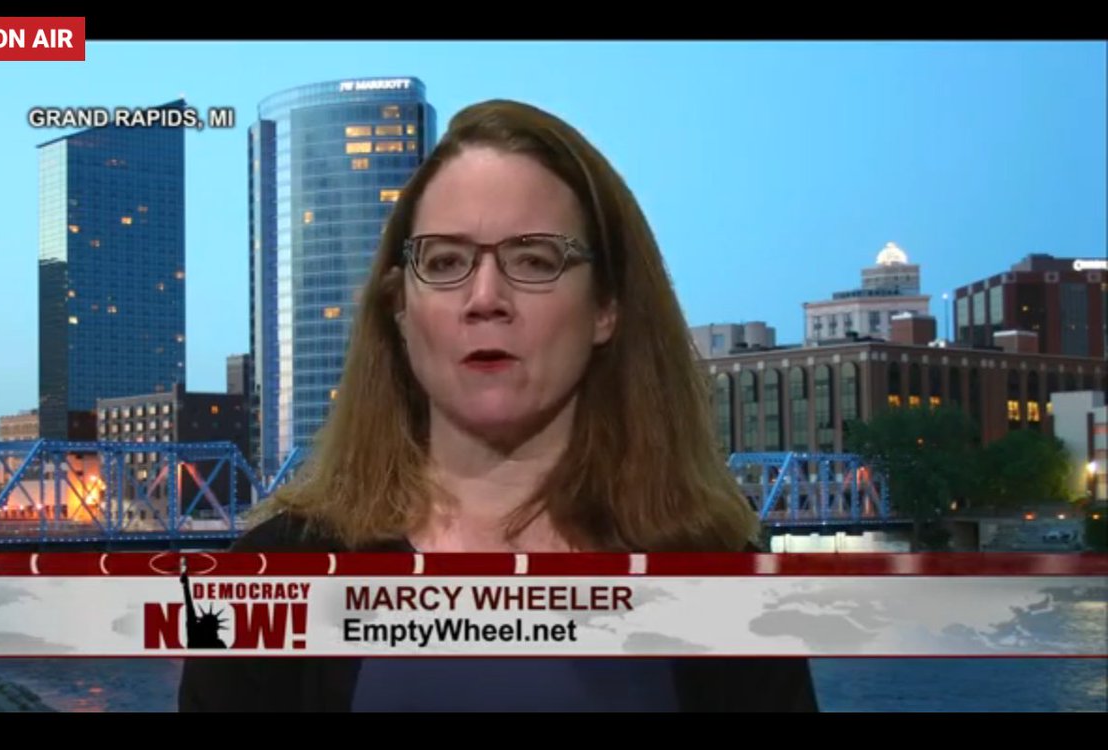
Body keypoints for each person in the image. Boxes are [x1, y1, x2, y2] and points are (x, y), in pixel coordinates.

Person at [179, 99, 818, 712]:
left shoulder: (722, 578)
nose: (485, 297)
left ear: (606, 307)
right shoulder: (270, 578)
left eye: (534, 259)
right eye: (446, 261)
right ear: (399, 308)